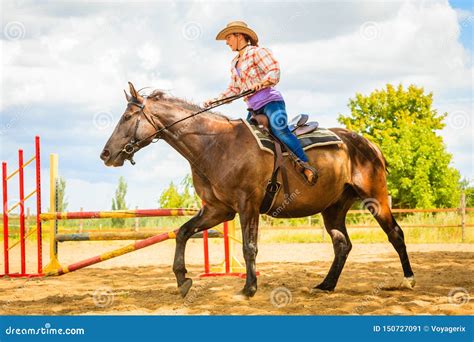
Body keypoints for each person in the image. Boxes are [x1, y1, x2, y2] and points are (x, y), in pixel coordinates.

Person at [203, 21, 317, 185]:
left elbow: (274, 70)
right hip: (254, 109)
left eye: (229, 37)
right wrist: (215, 101)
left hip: (271, 102)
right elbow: (234, 89)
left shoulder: (258, 52)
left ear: (239, 36)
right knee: (244, 141)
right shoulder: (234, 63)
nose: (227, 42)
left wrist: (262, 82)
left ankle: (306, 165)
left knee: (280, 130)